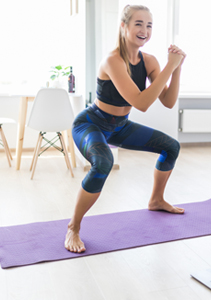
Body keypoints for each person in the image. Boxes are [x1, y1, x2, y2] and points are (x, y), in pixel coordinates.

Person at [65, 4, 186, 253]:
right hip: (91, 123)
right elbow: (141, 103)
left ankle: (156, 200)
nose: (144, 30)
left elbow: (168, 101)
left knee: (171, 147)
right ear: (124, 26)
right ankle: (73, 227)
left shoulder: (149, 61)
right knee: (103, 162)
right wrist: (170, 67)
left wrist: (177, 69)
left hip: (120, 126)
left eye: (149, 25)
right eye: (138, 24)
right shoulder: (113, 61)